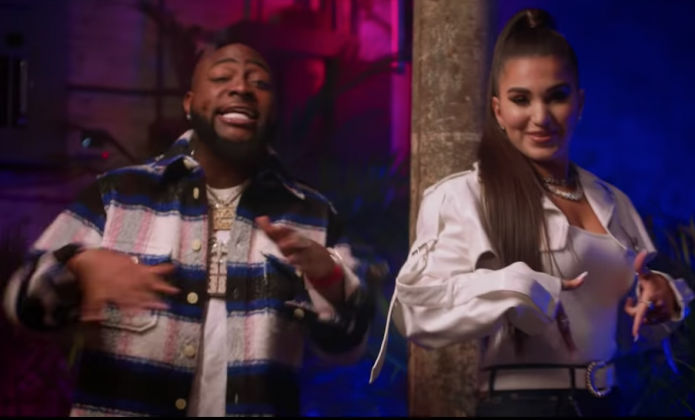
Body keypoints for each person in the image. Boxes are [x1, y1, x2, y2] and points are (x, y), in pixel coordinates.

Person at [3, 40, 374, 417]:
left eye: (259, 83)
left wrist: (331, 281)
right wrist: (79, 267)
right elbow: (23, 302)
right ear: (189, 103)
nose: (241, 87)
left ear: (274, 109)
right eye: (222, 77)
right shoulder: (117, 195)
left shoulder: (313, 214)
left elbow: (347, 350)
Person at [370, 8, 693, 417]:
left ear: (579, 102)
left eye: (557, 96)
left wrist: (659, 300)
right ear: (498, 110)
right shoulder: (465, 196)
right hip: (521, 406)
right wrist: (519, 286)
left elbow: (623, 333)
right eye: (521, 99)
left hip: (607, 403)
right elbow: (416, 314)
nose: (540, 117)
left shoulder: (613, 201)